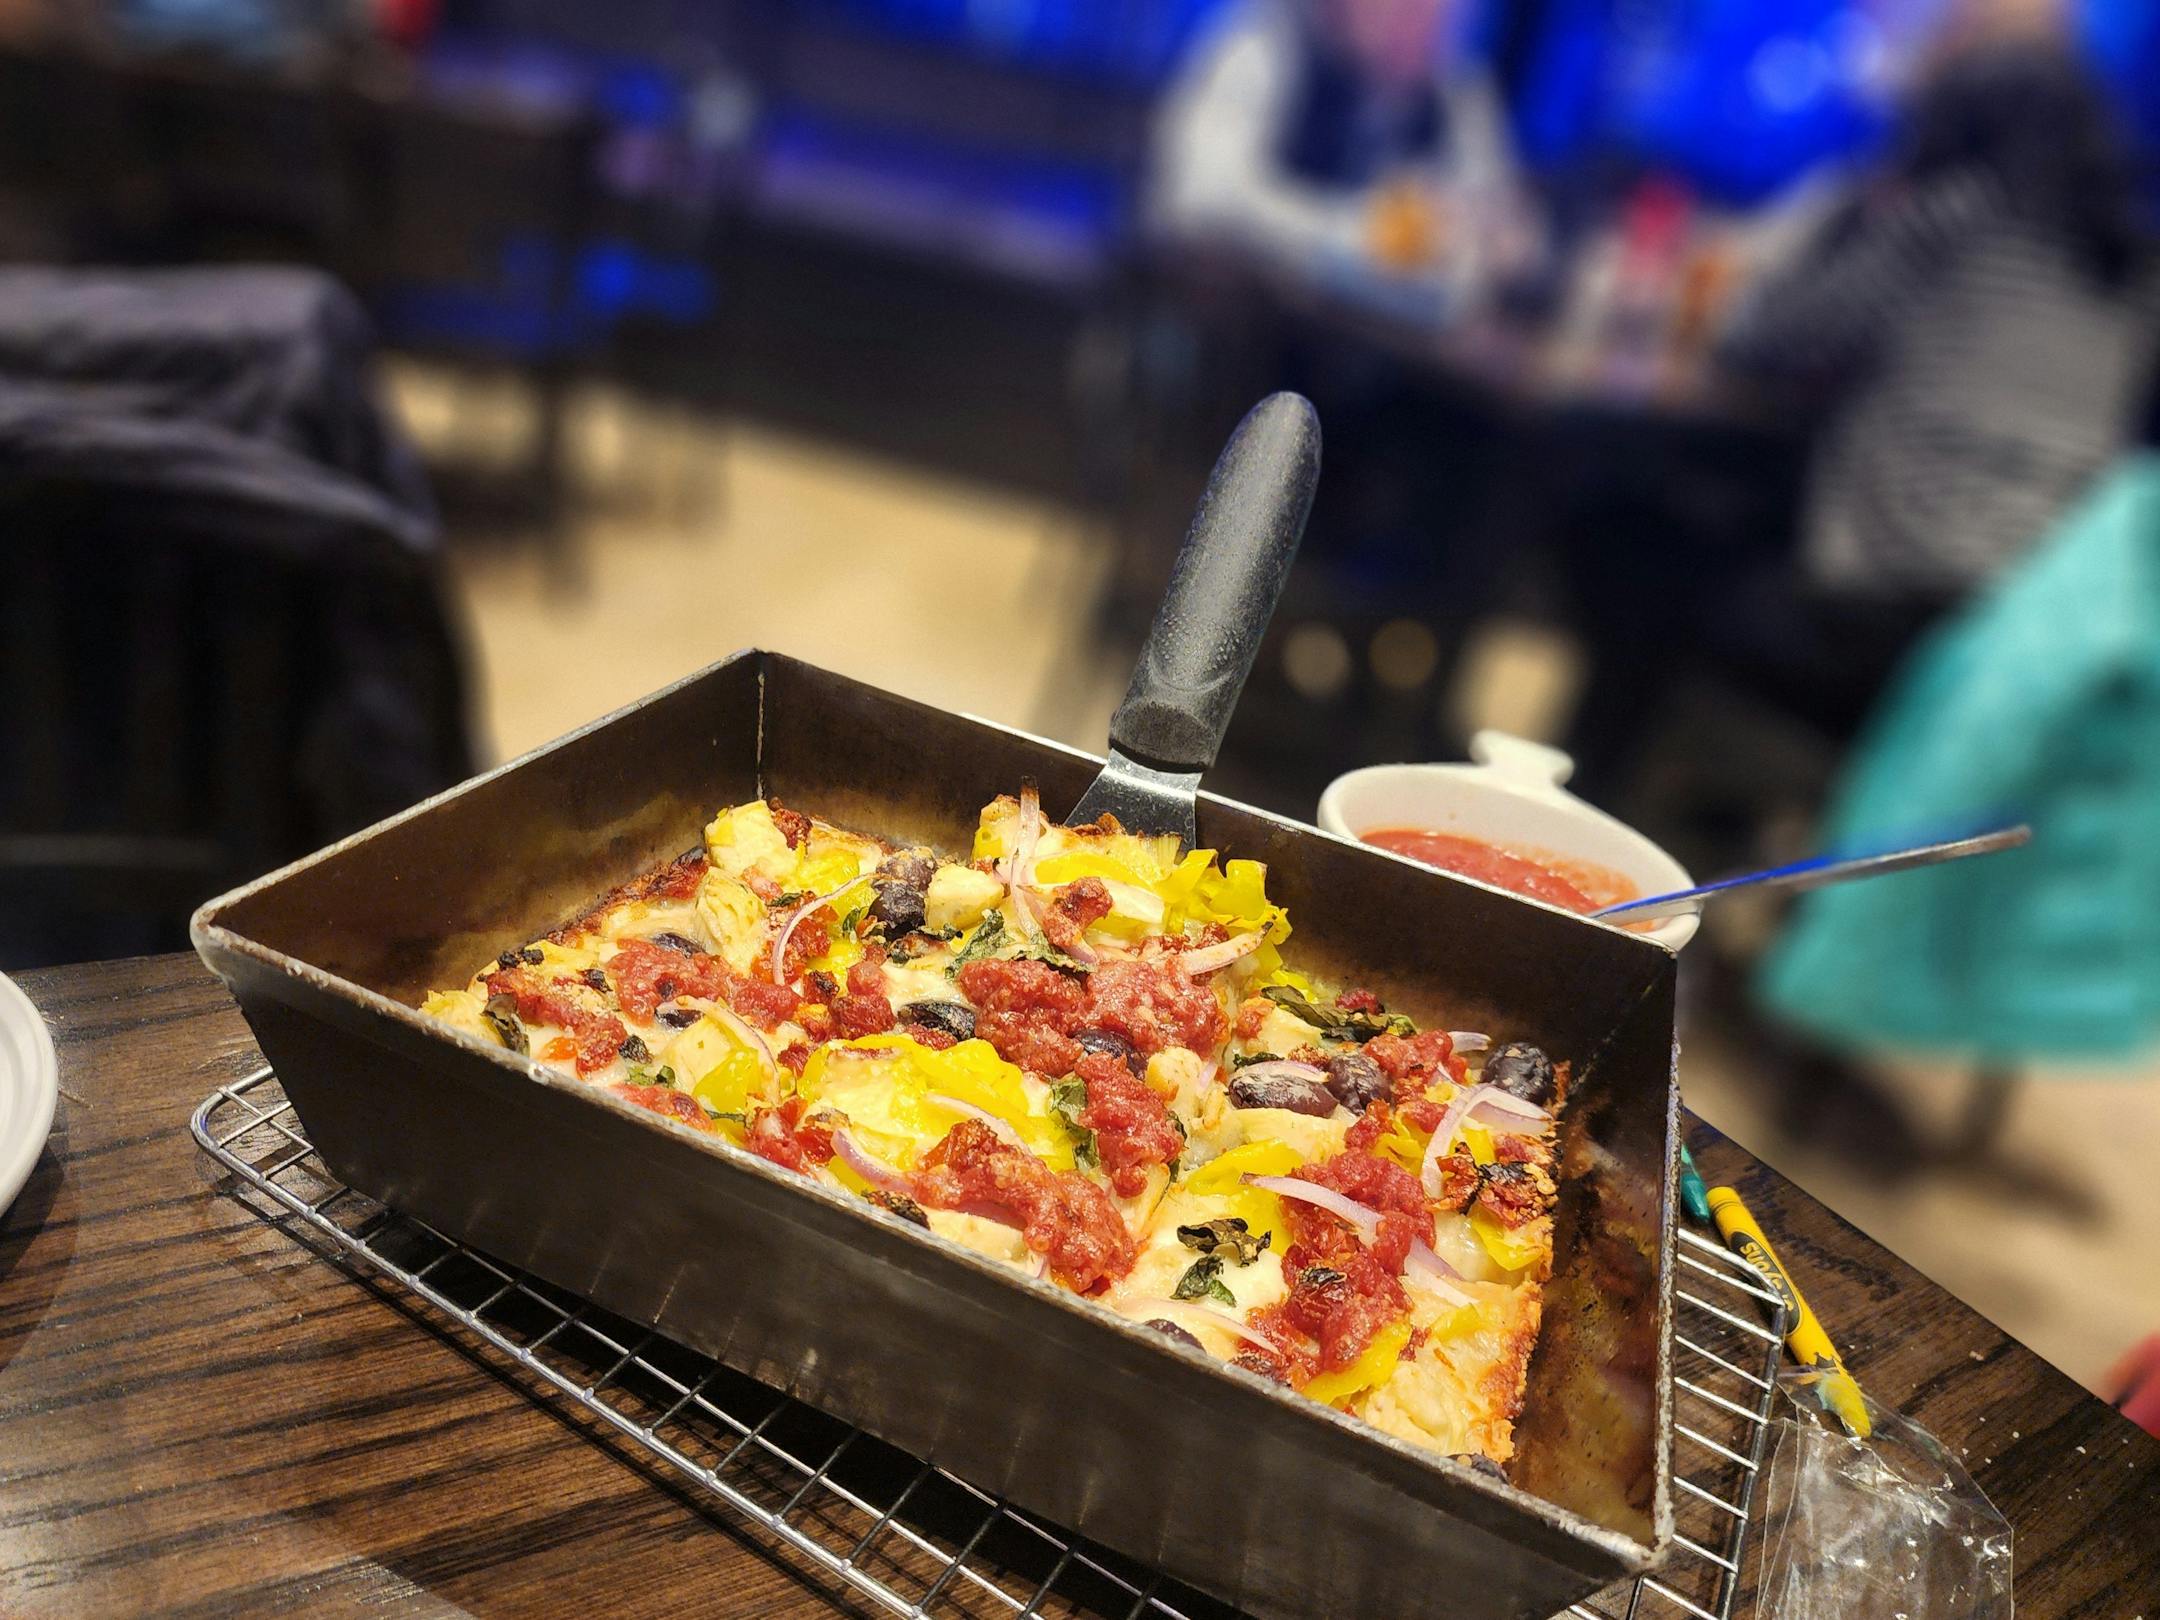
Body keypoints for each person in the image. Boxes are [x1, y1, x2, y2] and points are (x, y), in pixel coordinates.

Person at [1149, 0, 1531, 290]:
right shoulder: (1270, 41)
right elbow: (1199, 193)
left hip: (1368, 354)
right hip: (1213, 324)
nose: (1421, 27)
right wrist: (1358, 236)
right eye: (1402, 9)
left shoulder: (1455, 92)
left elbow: (1509, 231)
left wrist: (1487, 238)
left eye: (1438, 15)